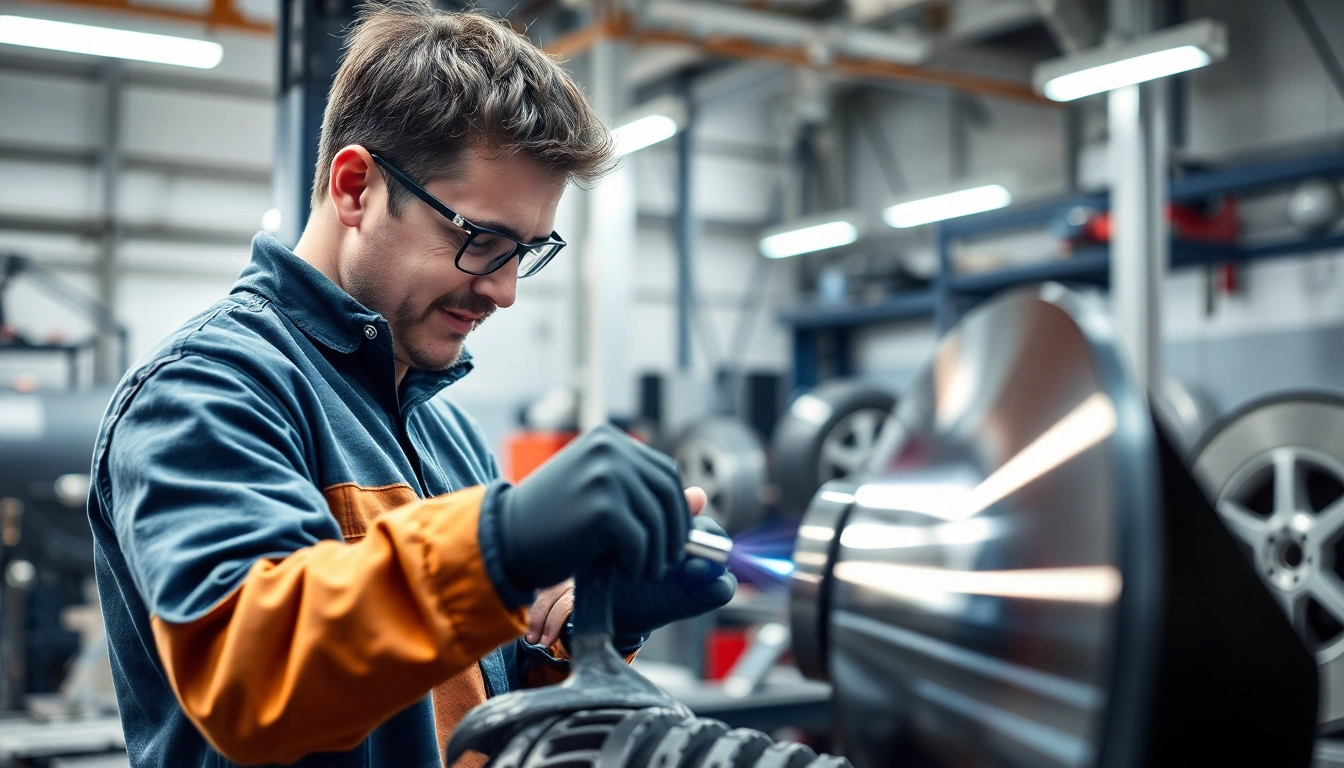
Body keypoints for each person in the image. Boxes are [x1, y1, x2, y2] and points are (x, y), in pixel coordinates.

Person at [86, 3, 736, 766]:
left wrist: (589, 633)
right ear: (356, 187)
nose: (504, 292)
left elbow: (485, 720)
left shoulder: (443, 433)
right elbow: (255, 676)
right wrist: (501, 543)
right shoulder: (207, 391)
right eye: (482, 242)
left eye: (524, 252)